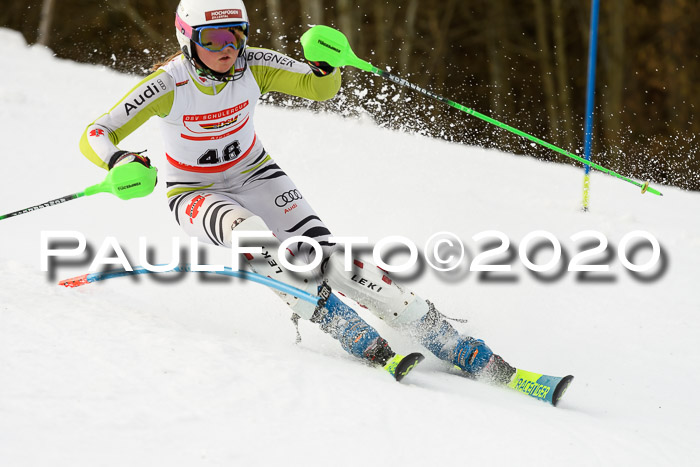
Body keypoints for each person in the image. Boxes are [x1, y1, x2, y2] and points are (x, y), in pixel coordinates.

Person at [79, 0, 514, 383]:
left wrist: (327, 66)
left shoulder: (255, 64)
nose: (227, 48)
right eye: (212, 39)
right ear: (187, 38)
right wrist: (119, 160)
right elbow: (97, 132)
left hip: (260, 176)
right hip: (196, 191)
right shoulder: (167, 83)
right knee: (251, 235)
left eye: (235, 35)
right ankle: (337, 322)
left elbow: (316, 87)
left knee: (331, 260)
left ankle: (444, 337)